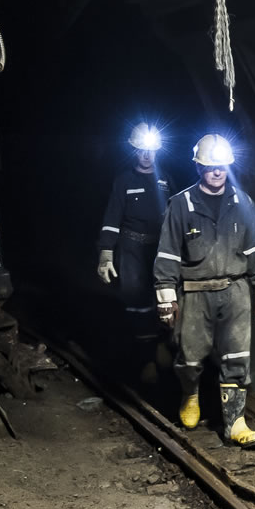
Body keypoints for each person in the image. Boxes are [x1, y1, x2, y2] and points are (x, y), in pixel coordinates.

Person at [154, 134, 255, 448]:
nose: (217, 172)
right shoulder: (181, 204)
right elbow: (167, 253)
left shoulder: (243, 202)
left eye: (221, 166)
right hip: (194, 292)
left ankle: (235, 423)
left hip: (235, 290)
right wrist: (166, 297)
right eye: (210, 166)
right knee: (190, 358)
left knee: (237, 357)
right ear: (198, 166)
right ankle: (190, 394)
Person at [96, 122, 173, 374]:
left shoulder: (165, 179)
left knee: (163, 299)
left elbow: (177, 214)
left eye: (151, 150)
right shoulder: (123, 181)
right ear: (133, 151)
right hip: (131, 250)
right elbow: (111, 218)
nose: (147, 155)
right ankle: (145, 359)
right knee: (137, 301)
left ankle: (162, 345)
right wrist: (106, 254)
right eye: (141, 150)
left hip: (159, 249)